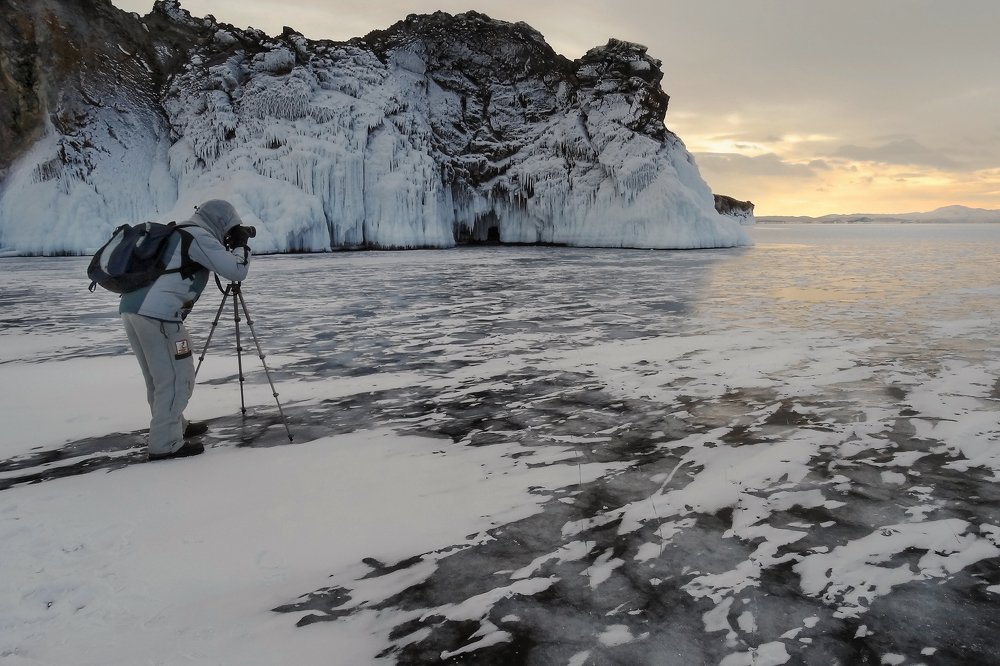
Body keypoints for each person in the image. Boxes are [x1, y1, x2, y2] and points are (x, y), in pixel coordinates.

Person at [120, 199, 253, 461]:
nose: (228, 235)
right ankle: (165, 442)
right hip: (158, 315)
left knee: (159, 378)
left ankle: (174, 425)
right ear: (220, 222)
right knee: (177, 378)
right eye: (230, 229)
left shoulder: (180, 231)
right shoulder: (198, 236)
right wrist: (241, 244)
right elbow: (236, 270)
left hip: (132, 309)